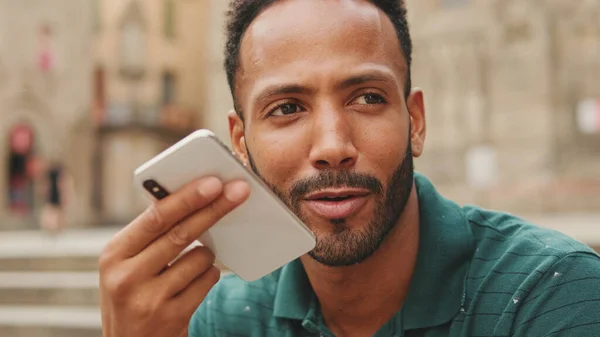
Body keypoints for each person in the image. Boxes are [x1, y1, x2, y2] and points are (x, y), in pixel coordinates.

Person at [98, 1, 600, 336]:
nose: (333, 145)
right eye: (288, 108)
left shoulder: (552, 296)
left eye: (366, 97)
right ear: (240, 144)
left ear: (415, 121)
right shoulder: (223, 318)